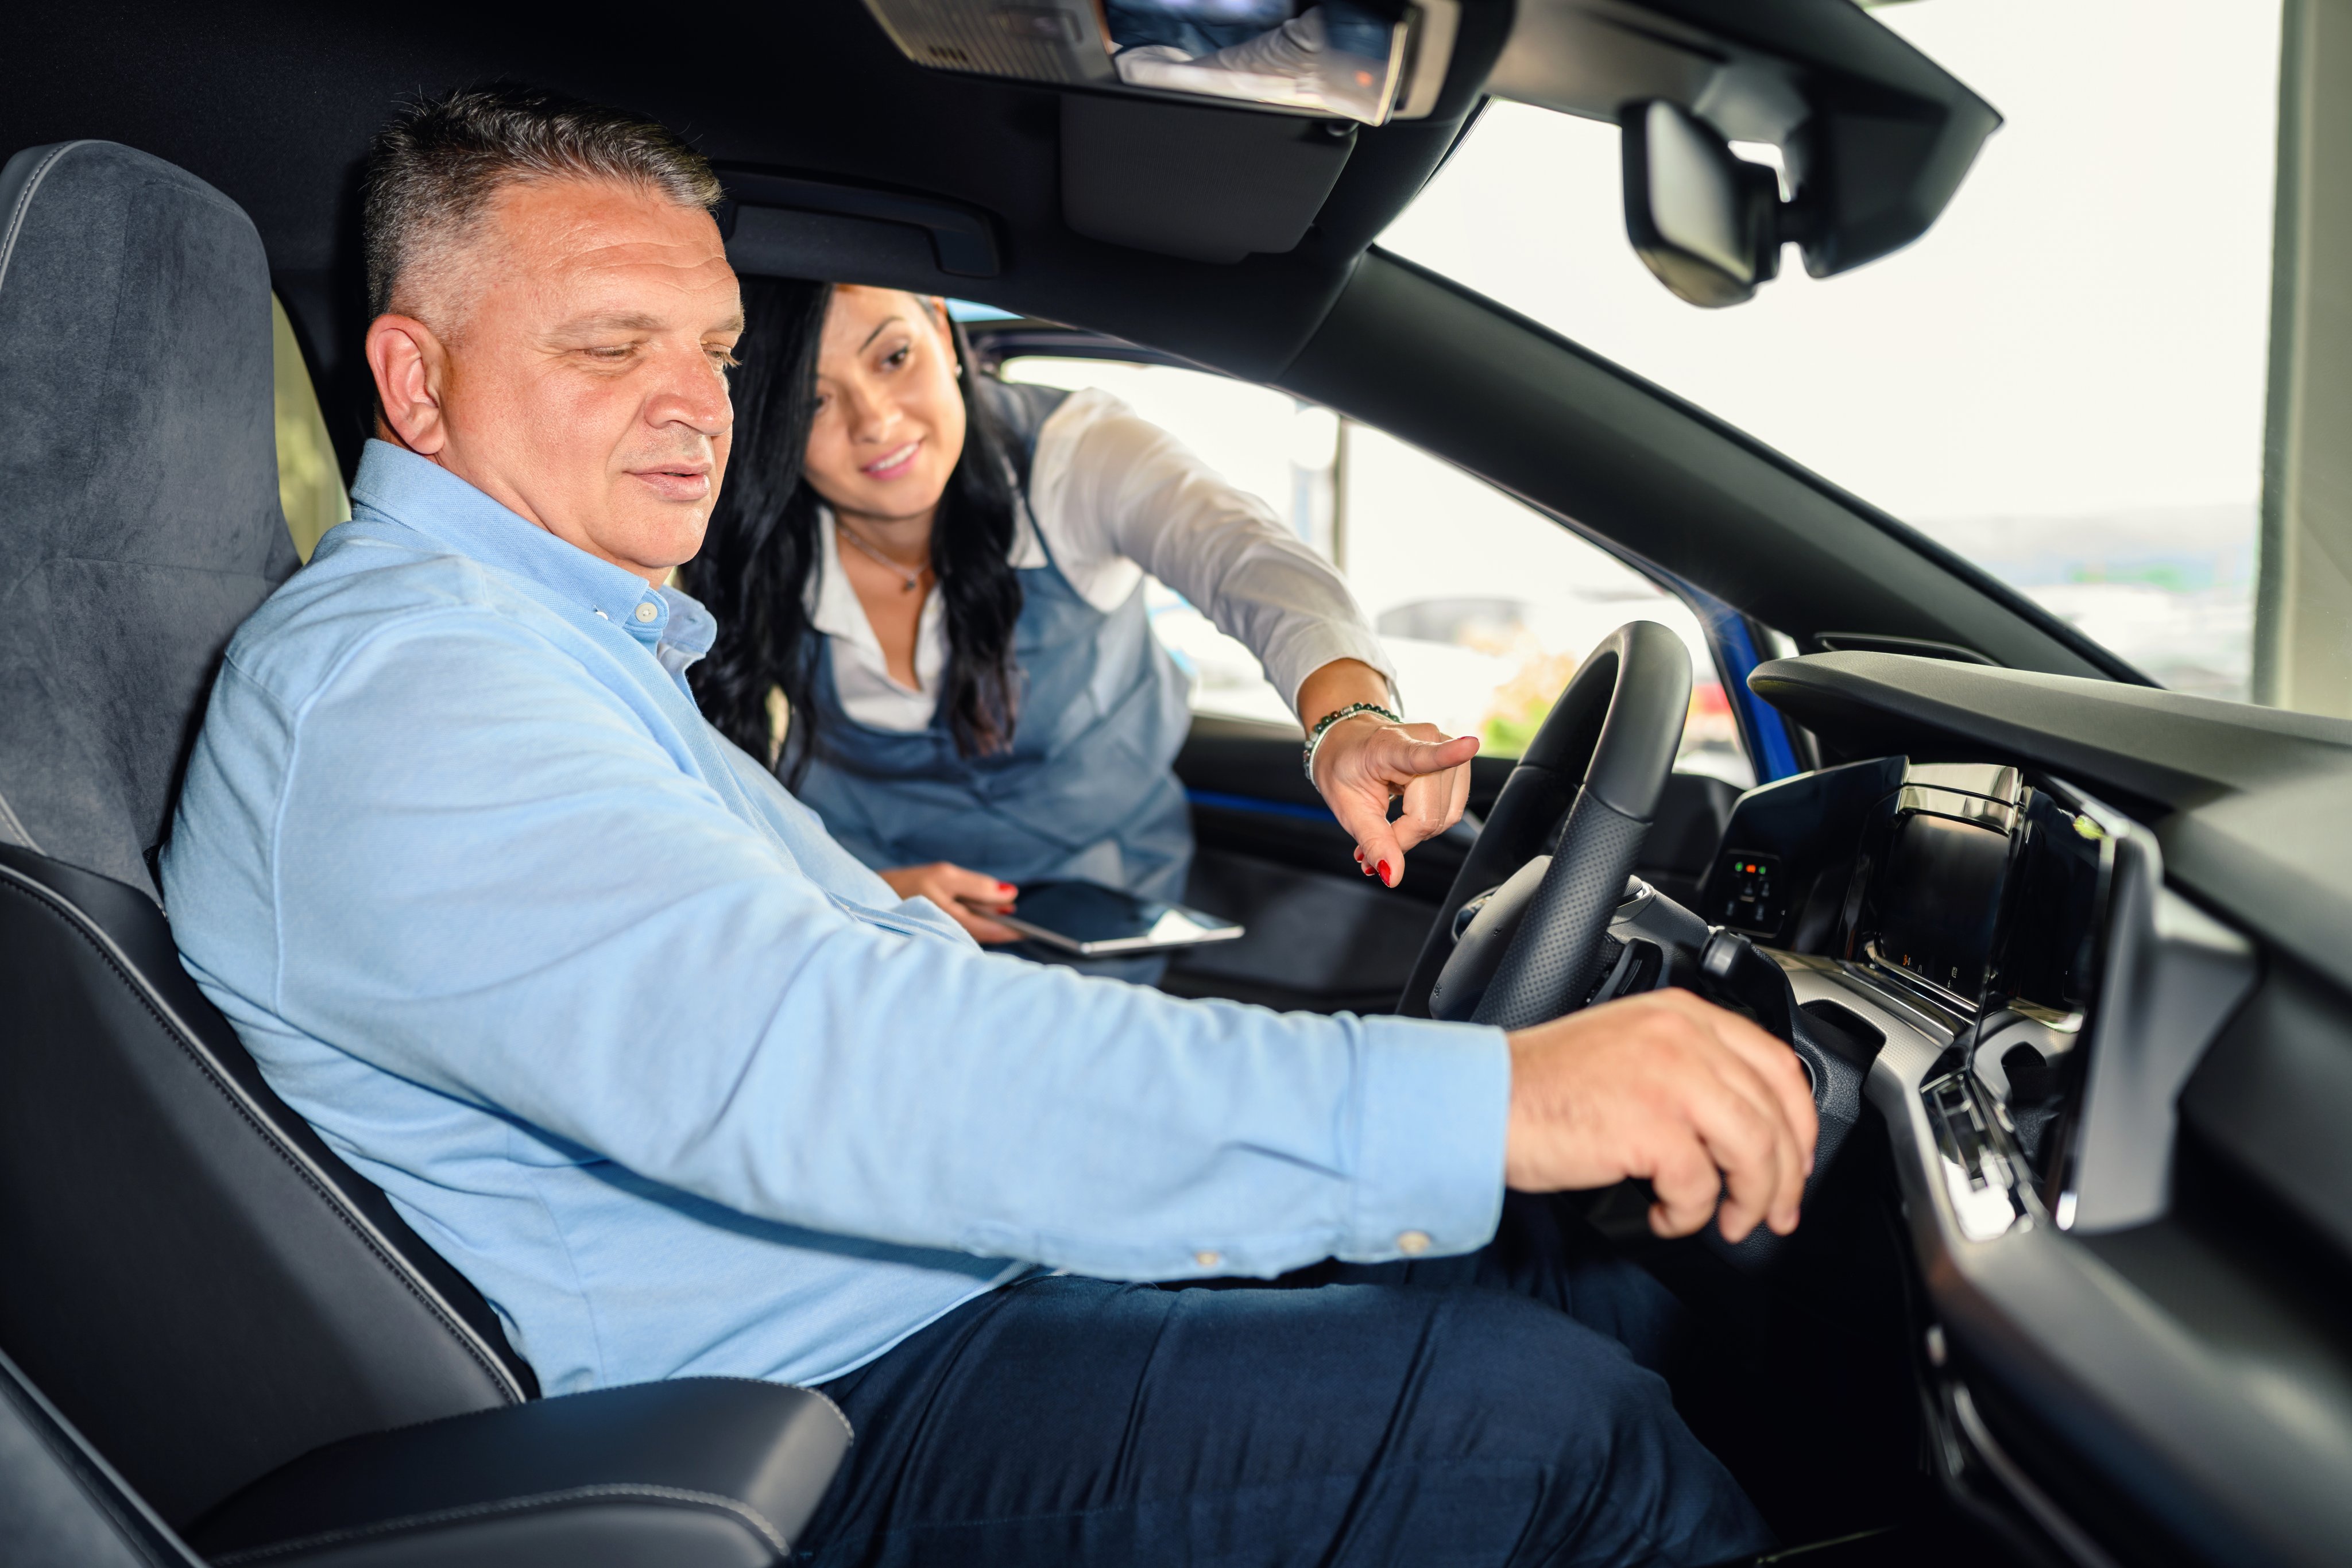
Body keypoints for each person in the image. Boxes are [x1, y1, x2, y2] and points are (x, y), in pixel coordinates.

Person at [163, 85, 1815, 1567]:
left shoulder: (550, 642)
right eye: (610, 346)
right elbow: (839, 1064)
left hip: (913, 1269)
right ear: (415, 381)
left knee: (1594, 1295)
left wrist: (1342, 712)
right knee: (1551, 1425)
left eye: (718, 354)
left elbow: (1241, 555)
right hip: (801, 1396)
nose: (693, 410)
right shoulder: (405, 691)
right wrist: (1493, 1097)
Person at [684, 274, 1472, 957]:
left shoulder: (1074, 457)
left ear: (940, 326)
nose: (877, 422)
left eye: (895, 357)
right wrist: (861, 891)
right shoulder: (739, 527)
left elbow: (1249, 560)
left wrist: (1349, 718)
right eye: (812, 401)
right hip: (862, 920)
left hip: (1103, 915)